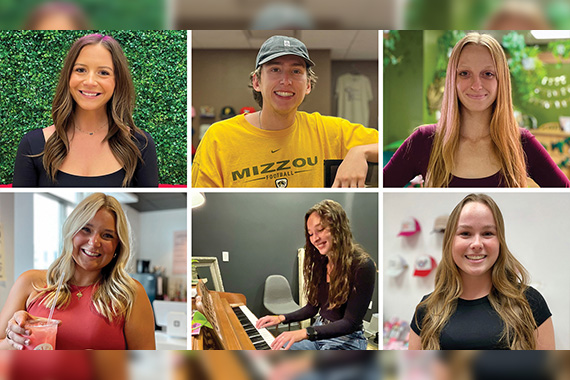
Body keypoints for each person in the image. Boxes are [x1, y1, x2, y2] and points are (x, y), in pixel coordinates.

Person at [383, 32, 570, 187]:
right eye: (464, 73)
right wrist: (363, 152)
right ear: (453, 80)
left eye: (488, 74)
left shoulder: (521, 143)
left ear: (501, 81)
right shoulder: (424, 141)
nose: (476, 85)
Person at [191, 35, 378, 188]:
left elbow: (399, 149)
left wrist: (360, 152)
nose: (286, 80)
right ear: (257, 82)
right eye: (275, 69)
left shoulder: (331, 130)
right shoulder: (219, 138)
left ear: (308, 85)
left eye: (296, 71)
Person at [0, 193, 156, 349]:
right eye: (86, 229)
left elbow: (147, 368)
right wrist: (13, 339)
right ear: (71, 233)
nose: (94, 242)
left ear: (117, 246)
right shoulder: (30, 282)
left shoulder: (130, 294)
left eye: (107, 235)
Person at [409, 194, 555, 350]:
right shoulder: (427, 308)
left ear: (500, 242)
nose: (477, 244)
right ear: (450, 242)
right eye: (465, 233)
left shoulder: (529, 302)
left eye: (487, 233)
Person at [13, 33, 158, 187]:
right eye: (81, 70)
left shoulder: (140, 145)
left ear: (117, 81)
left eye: (103, 73)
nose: (90, 82)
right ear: (68, 76)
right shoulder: (33, 145)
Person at [256, 200, 376, 350]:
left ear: (338, 227)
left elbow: (350, 323)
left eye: (320, 230)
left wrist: (306, 332)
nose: (315, 239)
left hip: (347, 340)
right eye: (311, 233)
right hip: (319, 330)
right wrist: (281, 318)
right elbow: (312, 308)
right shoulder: (321, 262)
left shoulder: (363, 265)